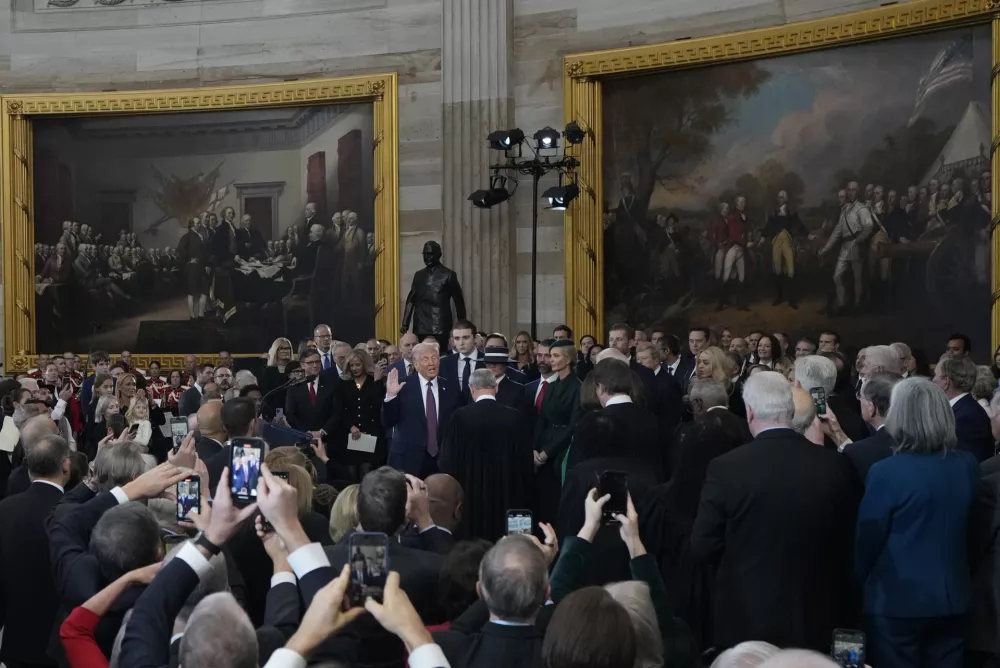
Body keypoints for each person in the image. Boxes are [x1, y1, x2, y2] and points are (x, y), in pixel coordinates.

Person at [691, 371, 859, 651]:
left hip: (747, 612)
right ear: (790, 411)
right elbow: (849, 540)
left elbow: (702, 544)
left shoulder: (726, 468)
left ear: (749, 412)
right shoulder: (834, 466)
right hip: (816, 609)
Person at [857, 377, 979, 668]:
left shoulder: (886, 472)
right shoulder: (967, 465)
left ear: (899, 415)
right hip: (953, 599)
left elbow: (867, 542)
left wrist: (859, 586)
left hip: (897, 604)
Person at [0, 434, 70, 668]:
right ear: (65, 465)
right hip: (61, 643)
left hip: (17, 639)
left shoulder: (6, 508)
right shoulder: (73, 513)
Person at [439, 369, 533, 542]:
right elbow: (527, 465)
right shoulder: (516, 418)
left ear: (471, 388)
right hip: (508, 499)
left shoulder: (459, 418)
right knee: (512, 549)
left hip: (470, 503)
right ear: (496, 388)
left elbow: (447, 463)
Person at [433, 535, 549, 667]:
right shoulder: (559, 657)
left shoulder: (446, 650)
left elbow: (458, 630)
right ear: (547, 594)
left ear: (479, 592)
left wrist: (493, 590)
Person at [383, 342, 461, 477]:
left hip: (443, 461)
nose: (432, 363)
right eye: (425, 359)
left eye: (435, 357)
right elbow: (388, 421)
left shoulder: (451, 387)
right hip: (408, 460)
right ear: (416, 364)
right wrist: (391, 396)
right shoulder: (402, 386)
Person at [533, 340, 582, 524]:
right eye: (550, 355)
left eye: (556, 356)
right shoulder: (551, 386)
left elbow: (574, 425)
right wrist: (535, 448)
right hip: (543, 449)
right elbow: (542, 419)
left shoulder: (578, 387)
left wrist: (548, 452)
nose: (550, 360)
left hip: (563, 452)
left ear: (568, 359)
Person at [841, 372, 901, 483]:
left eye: (860, 396)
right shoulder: (923, 439)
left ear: (871, 407)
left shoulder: (860, 452)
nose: (859, 400)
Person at [934, 354, 994, 462]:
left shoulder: (967, 417)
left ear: (946, 382)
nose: (933, 380)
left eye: (935, 376)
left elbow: (965, 462)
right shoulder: (963, 409)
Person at [337, 349, 386, 479]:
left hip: (370, 432)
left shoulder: (373, 381)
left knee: (367, 471)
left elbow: (377, 404)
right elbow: (340, 409)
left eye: (357, 365)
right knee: (351, 473)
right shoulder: (343, 382)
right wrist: (351, 426)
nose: (354, 368)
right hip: (350, 434)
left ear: (364, 364)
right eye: (351, 365)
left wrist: (377, 381)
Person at [284, 348, 342, 445]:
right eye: (310, 363)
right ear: (302, 365)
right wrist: (306, 432)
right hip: (303, 440)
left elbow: (337, 412)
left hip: (329, 439)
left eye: (317, 362)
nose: (315, 365)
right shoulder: (294, 386)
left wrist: (322, 431)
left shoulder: (332, 383)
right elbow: (290, 414)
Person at [439, 320, 485, 399]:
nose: (461, 343)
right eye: (457, 338)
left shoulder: (487, 361)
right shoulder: (444, 363)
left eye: (466, 337)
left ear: (475, 338)